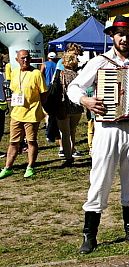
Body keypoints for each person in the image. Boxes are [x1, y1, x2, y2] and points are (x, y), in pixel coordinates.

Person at [67, 15, 129, 254]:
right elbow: (74, 87)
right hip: (107, 129)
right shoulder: (99, 63)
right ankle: (89, 234)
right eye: (120, 34)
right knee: (100, 179)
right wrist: (85, 100)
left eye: (128, 34)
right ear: (112, 36)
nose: (124, 38)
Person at [0, 49, 48, 179]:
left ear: (30, 58)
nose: (25, 60)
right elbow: (14, 91)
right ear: (17, 60)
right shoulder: (14, 73)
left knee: (31, 141)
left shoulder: (37, 73)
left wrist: (41, 107)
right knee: (13, 142)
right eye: (22, 58)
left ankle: (30, 167)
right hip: (16, 114)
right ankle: (8, 167)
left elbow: (44, 94)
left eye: (27, 58)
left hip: (32, 114)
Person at [54, 51, 84, 166]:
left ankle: (68, 156)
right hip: (76, 107)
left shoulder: (60, 74)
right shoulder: (77, 75)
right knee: (73, 131)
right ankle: (72, 150)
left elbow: (56, 90)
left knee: (65, 133)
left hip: (64, 106)